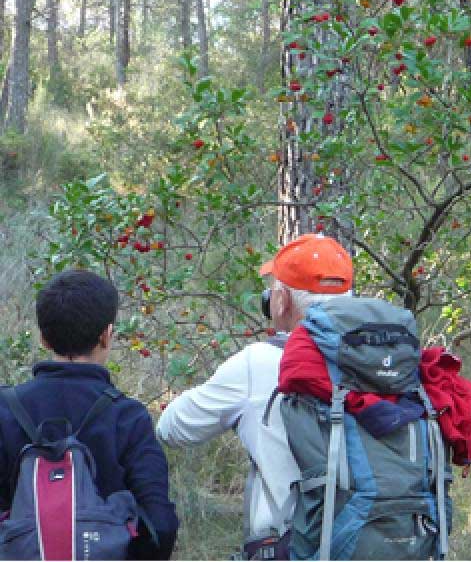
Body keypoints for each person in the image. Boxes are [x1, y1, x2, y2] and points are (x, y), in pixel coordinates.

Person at [156, 233, 353, 559]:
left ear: (281, 301)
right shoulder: (392, 361)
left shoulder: (258, 363)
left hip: (293, 547)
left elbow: (171, 427)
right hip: (386, 542)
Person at [0, 269, 179, 559]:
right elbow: (160, 525)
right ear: (107, 335)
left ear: (43, 338)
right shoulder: (127, 417)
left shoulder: (6, 409)